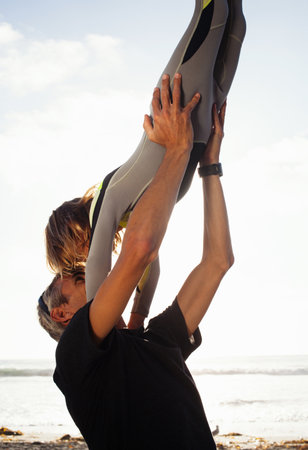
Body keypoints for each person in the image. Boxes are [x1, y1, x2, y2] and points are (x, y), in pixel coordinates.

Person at [38, 0, 245, 337]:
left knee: (212, 15)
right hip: (199, 133)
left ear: (72, 234)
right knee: (234, 24)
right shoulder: (131, 217)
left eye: (70, 256)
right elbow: (151, 265)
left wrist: (112, 321)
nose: (79, 262)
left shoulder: (103, 206)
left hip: (176, 108)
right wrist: (138, 316)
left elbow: (98, 271)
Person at [53, 74, 233, 449]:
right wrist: (177, 150)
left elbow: (217, 260)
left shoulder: (157, 340)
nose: (83, 269)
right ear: (63, 315)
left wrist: (210, 167)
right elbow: (139, 250)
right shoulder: (75, 361)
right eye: (69, 278)